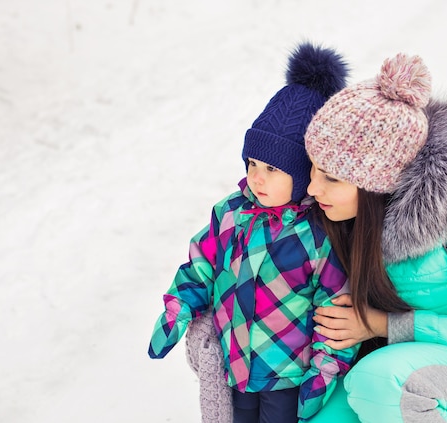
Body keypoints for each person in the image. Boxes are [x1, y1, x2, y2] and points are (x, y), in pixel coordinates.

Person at [303, 53, 447, 422]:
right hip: (390, 363)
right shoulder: (346, 212)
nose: (313, 188)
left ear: (376, 183)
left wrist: (381, 325)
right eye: (312, 169)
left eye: (331, 177)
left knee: (377, 383)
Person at [147, 42, 359, 423]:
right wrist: (177, 310)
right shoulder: (230, 214)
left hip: (288, 377)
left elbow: (334, 306)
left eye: (274, 170)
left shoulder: (318, 235)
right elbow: (201, 267)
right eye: (253, 163)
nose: (257, 177)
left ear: (303, 174)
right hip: (235, 368)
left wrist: (324, 372)